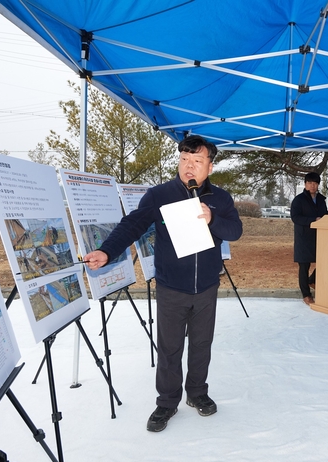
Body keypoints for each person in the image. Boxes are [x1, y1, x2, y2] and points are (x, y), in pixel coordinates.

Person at [84, 135, 243, 432]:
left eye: (197, 161)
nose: (189, 166)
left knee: (201, 344)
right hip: (171, 287)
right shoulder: (159, 195)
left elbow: (235, 231)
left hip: (207, 286)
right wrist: (107, 251)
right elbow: (132, 224)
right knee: (169, 348)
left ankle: (197, 393)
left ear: (210, 165)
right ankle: (167, 402)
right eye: (184, 160)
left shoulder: (220, 199)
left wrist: (212, 219)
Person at [291, 172, 328, 305]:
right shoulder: (299, 200)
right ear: (305, 184)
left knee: (325, 261)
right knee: (304, 265)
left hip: (320, 237)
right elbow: (295, 217)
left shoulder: (321, 199)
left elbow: (325, 216)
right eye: (310, 183)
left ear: (318, 184)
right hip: (304, 237)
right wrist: (313, 219)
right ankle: (306, 294)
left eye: (315, 183)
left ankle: (312, 280)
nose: (313, 186)